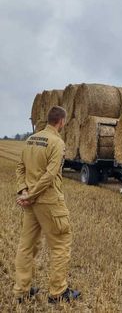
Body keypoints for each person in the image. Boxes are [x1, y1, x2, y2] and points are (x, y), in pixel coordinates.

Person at [14, 106, 80, 304]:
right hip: (49, 202)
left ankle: (21, 290)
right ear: (61, 121)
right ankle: (58, 292)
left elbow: (20, 167)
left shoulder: (30, 139)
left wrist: (24, 191)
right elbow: (50, 175)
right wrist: (31, 194)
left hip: (31, 203)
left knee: (26, 246)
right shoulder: (57, 142)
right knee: (61, 243)